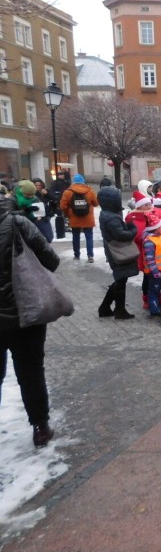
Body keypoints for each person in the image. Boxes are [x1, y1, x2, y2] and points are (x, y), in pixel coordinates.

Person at [0, 185, 61, 447]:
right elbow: (51, 260)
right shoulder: (18, 223)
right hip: (25, 310)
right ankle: (40, 427)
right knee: (31, 371)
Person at [97, 186, 139, 320]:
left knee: (120, 279)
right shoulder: (111, 217)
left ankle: (105, 307)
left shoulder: (108, 213)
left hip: (114, 249)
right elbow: (121, 235)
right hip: (117, 250)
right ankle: (119, 310)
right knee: (121, 280)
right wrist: (133, 229)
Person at [60, 174, 98, 262]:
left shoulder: (68, 192)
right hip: (88, 218)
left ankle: (77, 255)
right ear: (83, 182)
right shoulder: (89, 191)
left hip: (74, 218)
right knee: (89, 237)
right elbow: (96, 203)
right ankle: (90, 256)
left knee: (75, 236)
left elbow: (63, 207)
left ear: (74, 182)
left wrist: (68, 213)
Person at [31, 178, 55, 243]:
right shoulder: (31, 194)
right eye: (36, 185)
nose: (38, 187)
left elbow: (53, 199)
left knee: (49, 236)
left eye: (39, 185)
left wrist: (46, 194)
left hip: (46, 215)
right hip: (36, 216)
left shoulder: (45, 192)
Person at [49, 170, 70, 239]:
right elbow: (52, 191)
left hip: (65, 199)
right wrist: (55, 197)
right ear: (58, 175)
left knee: (65, 214)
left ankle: (66, 225)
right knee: (60, 214)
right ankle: (62, 227)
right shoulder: (55, 182)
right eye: (61, 174)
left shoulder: (65, 182)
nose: (62, 175)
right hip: (58, 200)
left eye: (63, 174)